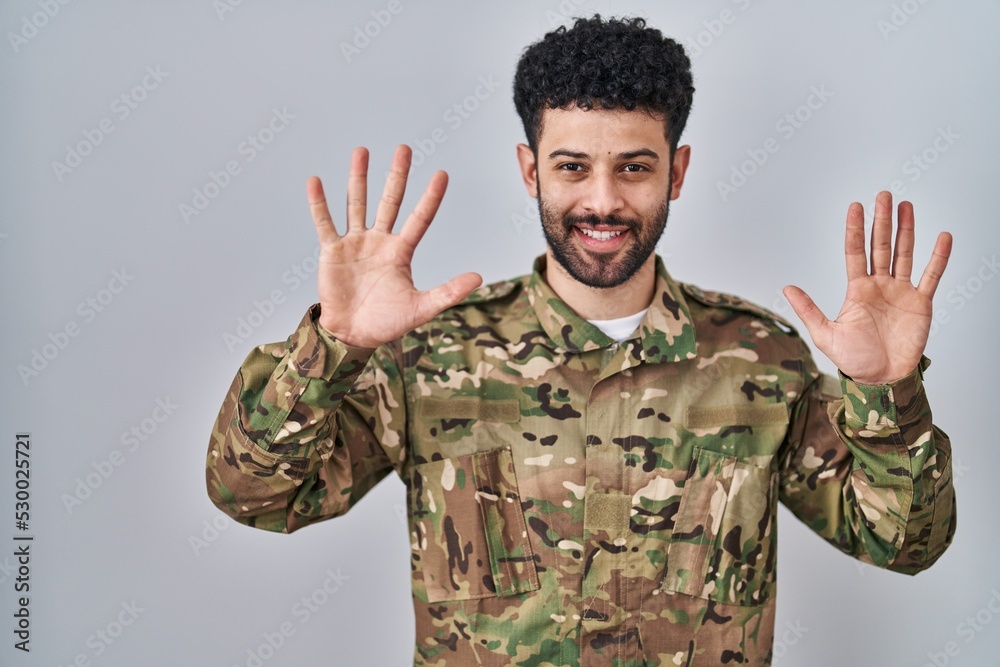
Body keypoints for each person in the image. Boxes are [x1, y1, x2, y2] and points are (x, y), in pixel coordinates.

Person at [205, 15, 956, 666]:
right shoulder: (434, 357)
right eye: (572, 167)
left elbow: (904, 543)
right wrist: (331, 346)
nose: (603, 200)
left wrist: (889, 395)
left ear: (678, 171)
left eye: (634, 167)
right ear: (530, 169)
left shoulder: (763, 359)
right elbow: (254, 495)